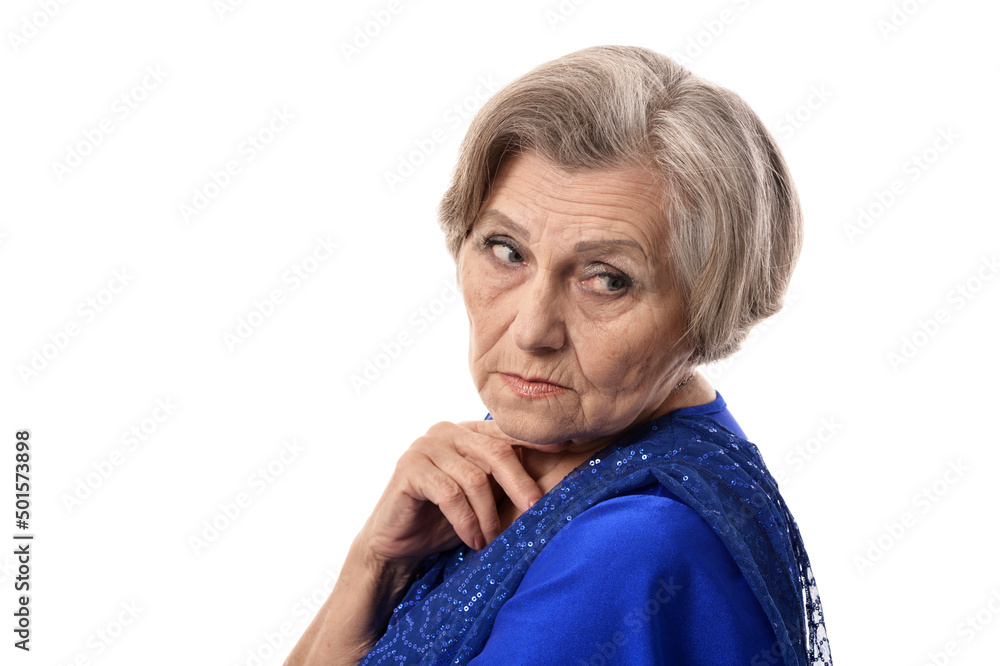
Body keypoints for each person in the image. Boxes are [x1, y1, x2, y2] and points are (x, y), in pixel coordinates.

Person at [286, 45, 833, 665]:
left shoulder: (630, 548)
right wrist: (374, 568)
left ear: (709, 305)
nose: (531, 329)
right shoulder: (544, 448)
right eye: (506, 250)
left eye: (606, 278)